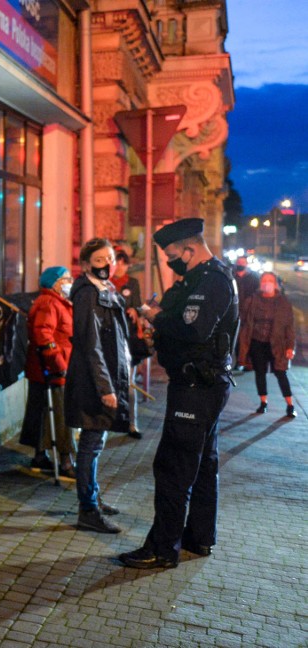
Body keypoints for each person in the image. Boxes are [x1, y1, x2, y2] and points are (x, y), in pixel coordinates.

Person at [119, 217, 238, 570]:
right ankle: (198, 537)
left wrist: (157, 317)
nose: (172, 261)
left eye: (174, 254)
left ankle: (161, 548)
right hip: (202, 384)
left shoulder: (212, 280)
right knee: (202, 465)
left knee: (174, 467)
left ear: (190, 248)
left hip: (196, 387)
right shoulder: (201, 277)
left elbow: (194, 327)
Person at [65, 238, 134, 534]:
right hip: (93, 381)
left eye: (110, 258)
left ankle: (92, 497)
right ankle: (88, 509)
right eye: (99, 260)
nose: (107, 264)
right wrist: (106, 387)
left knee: (97, 442)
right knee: (91, 444)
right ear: (85, 265)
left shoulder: (106, 290)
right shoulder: (88, 293)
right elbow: (91, 343)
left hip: (104, 377)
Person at [20, 266, 75, 478]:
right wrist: (58, 364)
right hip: (52, 369)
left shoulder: (57, 302)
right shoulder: (49, 303)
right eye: (66, 279)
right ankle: (66, 460)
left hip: (52, 367)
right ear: (55, 283)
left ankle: (40, 455)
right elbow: (43, 335)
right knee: (62, 414)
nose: (70, 282)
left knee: (44, 411)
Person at [237, 271, 297, 417]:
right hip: (257, 342)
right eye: (264, 280)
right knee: (260, 373)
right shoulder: (252, 300)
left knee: (281, 373)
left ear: (275, 284)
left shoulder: (283, 302)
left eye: (270, 280)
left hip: (277, 344)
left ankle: (290, 405)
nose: (266, 283)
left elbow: (289, 326)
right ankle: (263, 403)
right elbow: (244, 320)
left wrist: (290, 346)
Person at [112, 249, 144, 439]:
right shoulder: (106, 284)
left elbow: (139, 306)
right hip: (109, 339)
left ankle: (132, 424)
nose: (120, 267)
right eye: (117, 262)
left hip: (129, 338)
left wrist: (135, 310)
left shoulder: (132, 283)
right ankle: (113, 420)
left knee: (129, 384)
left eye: (123, 263)